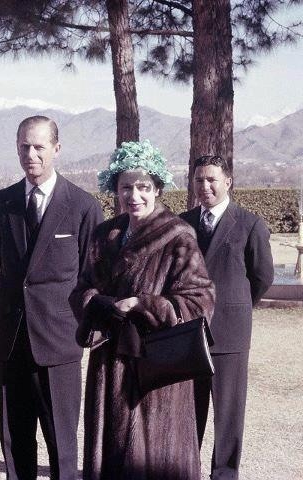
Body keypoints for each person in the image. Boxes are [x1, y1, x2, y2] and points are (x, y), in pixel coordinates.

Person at [70, 140, 216, 479]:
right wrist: (100, 305)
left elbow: (200, 301)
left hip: (157, 370)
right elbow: (81, 289)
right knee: (114, 457)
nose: (134, 196)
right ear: (115, 189)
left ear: (158, 188)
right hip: (110, 365)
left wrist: (144, 304)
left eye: (143, 187)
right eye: (125, 187)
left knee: (154, 462)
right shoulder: (105, 235)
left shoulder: (178, 237)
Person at [0, 115, 103, 480]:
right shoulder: (1, 204)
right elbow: (8, 264)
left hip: (58, 342)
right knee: (15, 442)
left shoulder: (83, 206)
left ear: (56, 148)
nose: (31, 154)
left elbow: (90, 273)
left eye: (39, 147)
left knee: (62, 447)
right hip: (10, 342)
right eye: (24, 146)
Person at [180, 154, 274, 479]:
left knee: (229, 413)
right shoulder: (182, 224)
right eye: (198, 180)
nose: (204, 187)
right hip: (188, 334)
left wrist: (235, 307)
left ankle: (224, 473)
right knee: (187, 413)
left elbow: (262, 277)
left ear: (227, 182)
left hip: (230, 336)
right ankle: (185, 469)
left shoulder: (250, 225)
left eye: (211, 180)